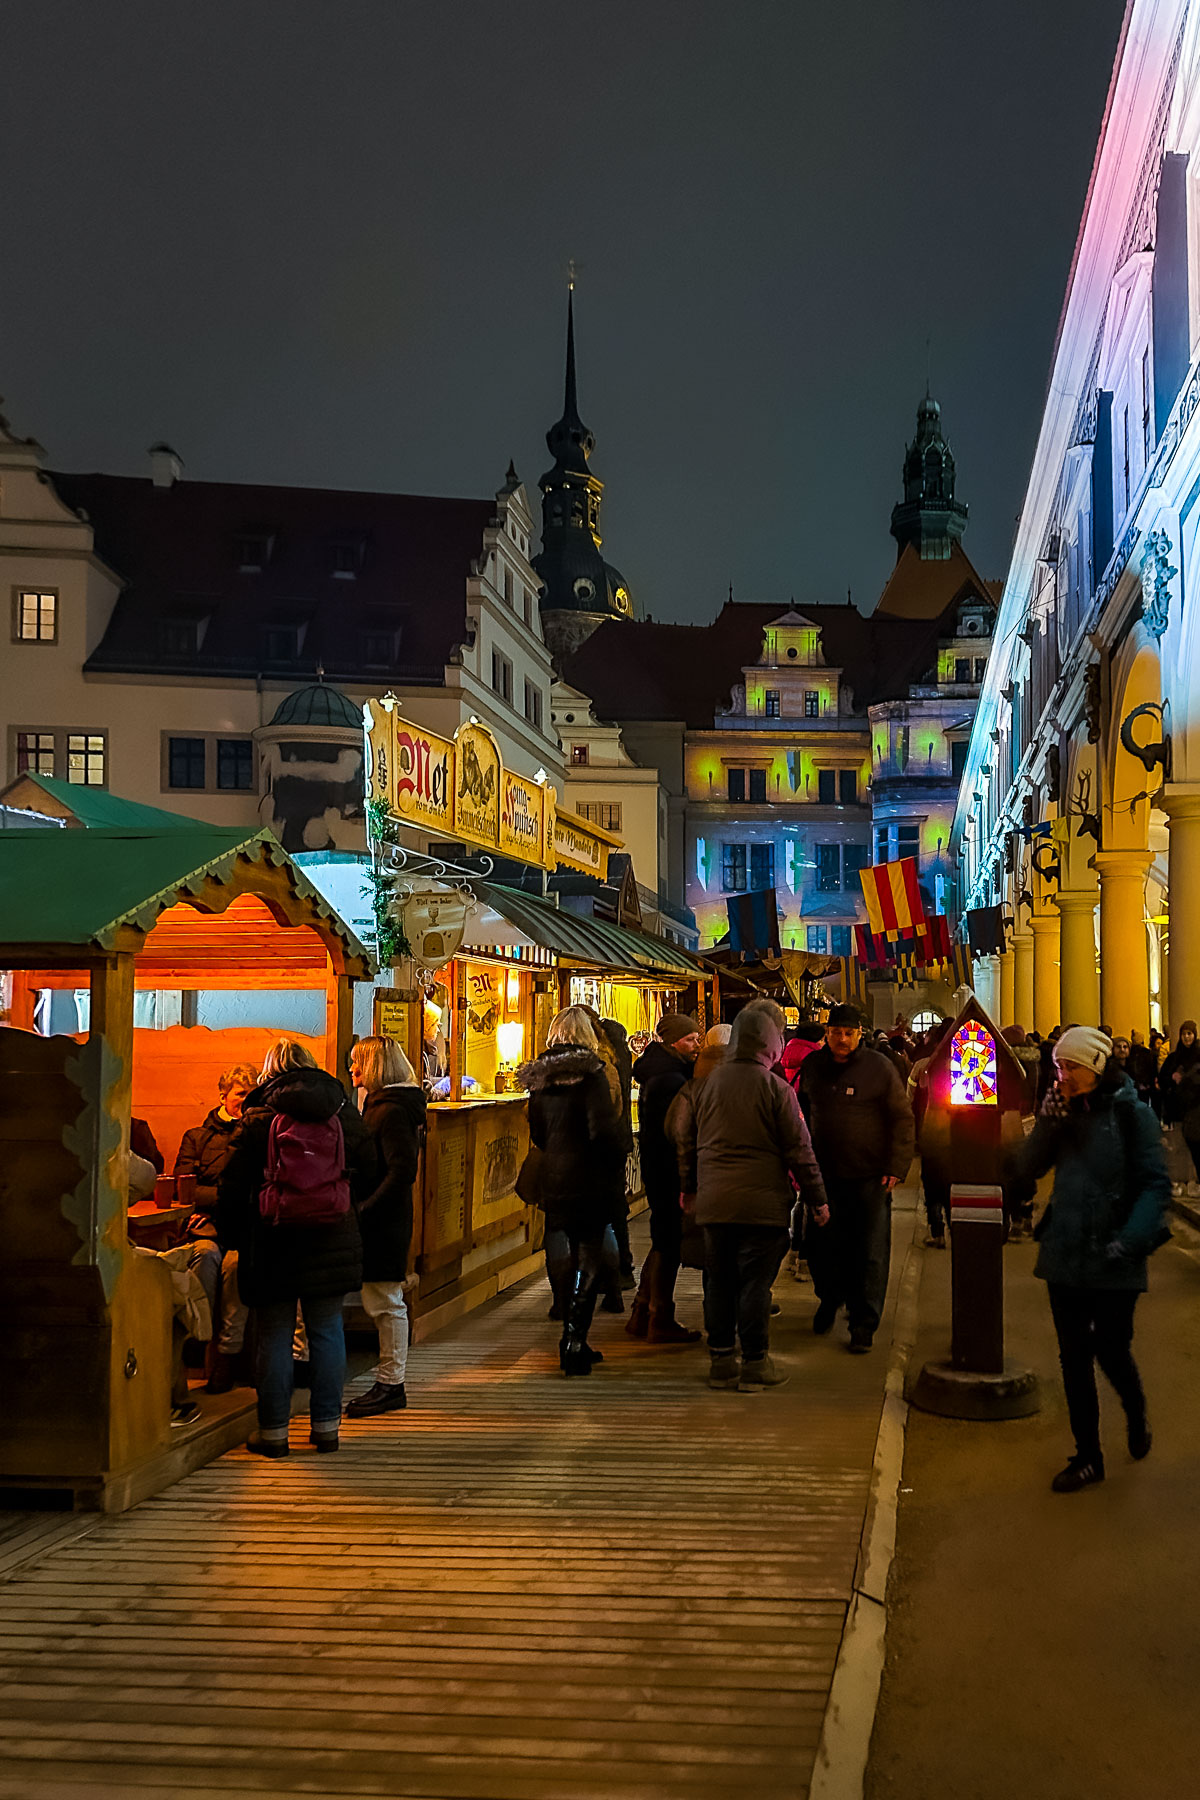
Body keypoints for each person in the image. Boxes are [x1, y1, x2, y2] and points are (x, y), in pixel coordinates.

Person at [1009, 1026, 1168, 1493]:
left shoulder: (1130, 1115)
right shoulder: (1064, 1111)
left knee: (1112, 1350)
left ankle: (1135, 1412)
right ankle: (1088, 1457)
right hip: (1066, 1249)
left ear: (1096, 1066)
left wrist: (1133, 1238)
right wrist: (1047, 1123)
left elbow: (1155, 1182)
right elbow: (1027, 1170)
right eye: (1059, 1067)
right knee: (1073, 1358)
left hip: (1115, 1252)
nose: (1063, 1075)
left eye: (1071, 1067)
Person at [218, 1038, 374, 1456]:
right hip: (332, 1236)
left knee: (274, 1334)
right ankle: (326, 1427)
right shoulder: (341, 1110)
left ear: (269, 1072)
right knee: (326, 1331)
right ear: (310, 1067)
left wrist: (232, 1238)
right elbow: (373, 1166)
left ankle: (273, 1433)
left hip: (272, 1238)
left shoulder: (258, 1118)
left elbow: (230, 1187)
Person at [670, 999, 828, 1392]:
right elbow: (799, 1148)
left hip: (715, 1202)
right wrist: (817, 1198)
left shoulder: (704, 1087)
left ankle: (721, 1361)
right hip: (762, 1205)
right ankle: (755, 1363)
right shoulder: (776, 1090)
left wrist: (689, 1188)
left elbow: (686, 1141)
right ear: (772, 1044)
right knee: (755, 1284)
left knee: (720, 1280)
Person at [799, 1003, 915, 1352]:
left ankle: (864, 1322)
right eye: (836, 1033)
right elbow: (801, 1111)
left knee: (870, 1251)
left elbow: (902, 1118)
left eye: (848, 1033)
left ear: (859, 1034)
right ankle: (829, 1299)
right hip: (824, 1175)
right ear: (827, 1034)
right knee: (822, 1247)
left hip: (870, 1177)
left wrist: (897, 1165)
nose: (842, 1039)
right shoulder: (814, 1066)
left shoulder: (878, 1068)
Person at [519, 1006, 625, 1376]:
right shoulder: (592, 1075)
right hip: (589, 1177)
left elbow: (537, 1133)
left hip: (554, 1175)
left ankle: (569, 1328)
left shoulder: (539, 1079)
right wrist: (614, 1160)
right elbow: (602, 1131)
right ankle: (574, 1340)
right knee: (589, 1258)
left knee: (560, 1247)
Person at [346, 1035, 427, 1418]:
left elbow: (401, 1171)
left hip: (384, 1220)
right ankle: (388, 1380)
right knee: (379, 1298)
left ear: (374, 1067)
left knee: (385, 1301)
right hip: (383, 1217)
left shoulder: (390, 1110)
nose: (351, 1070)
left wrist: (365, 1207)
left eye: (357, 1063)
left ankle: (391, 1383)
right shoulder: (386, 1106)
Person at [174, 1064, 258, 1393]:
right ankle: (196, 1341)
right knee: (205, 1259)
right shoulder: (197, 1136)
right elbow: (185, 1187)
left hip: (240, 1231)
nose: (245, 1101)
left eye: (251, 1095)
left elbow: (258, 1191)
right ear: (224, 1096)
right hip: (205, 1229)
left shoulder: (257, 1136)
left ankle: (227, 1355)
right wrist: (220, 1202)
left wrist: (214, 1203)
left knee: (236, 1267)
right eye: (240, 1094)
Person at [627, 1014, 703, 1344]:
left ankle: (644, 1310)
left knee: (663, 1240)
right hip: (669, 1169)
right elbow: (679, 1133)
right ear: (673, 1042)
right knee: (668, 1242)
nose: (697, 1046)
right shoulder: (672, 1080)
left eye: (699, 1039)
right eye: (690, 1040)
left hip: (657, 1167)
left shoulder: (659, 1072)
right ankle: (660, 1316)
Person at [907, 1020, 952, 1246]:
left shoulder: (924, 1065)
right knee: (955, 1183)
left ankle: (937, 1232)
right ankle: (960, 1230)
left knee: (933, 1183)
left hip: (933, 1130)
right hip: (962, 1135)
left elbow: (909, 1097)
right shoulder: (969, 1064)